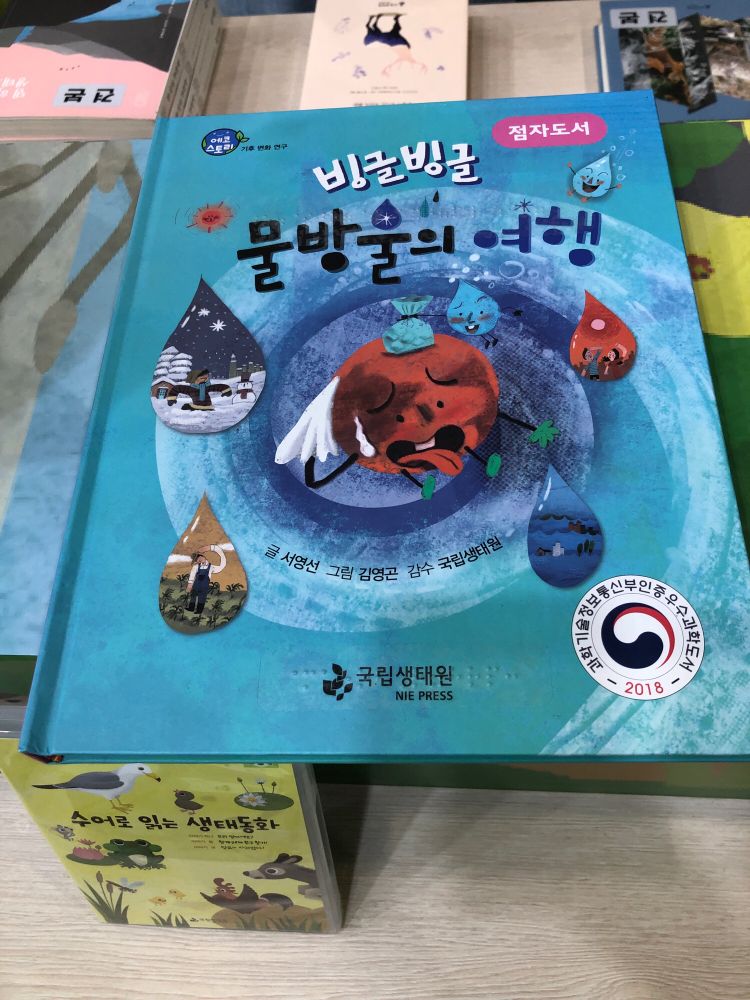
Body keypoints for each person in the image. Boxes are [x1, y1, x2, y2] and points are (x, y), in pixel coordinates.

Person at [186, 545, 227, 616]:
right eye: (197, 559)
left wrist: (217, 550)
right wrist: (190, 584)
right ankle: (191, 608)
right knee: (193, 596)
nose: (199, 559)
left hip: (204, 586)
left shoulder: (211, 567)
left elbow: (221, 566)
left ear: (203, 556)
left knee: (202, 598)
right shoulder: (196, 566)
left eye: (199, 557)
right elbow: (192, 575)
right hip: (196, 584)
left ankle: (199, 611)